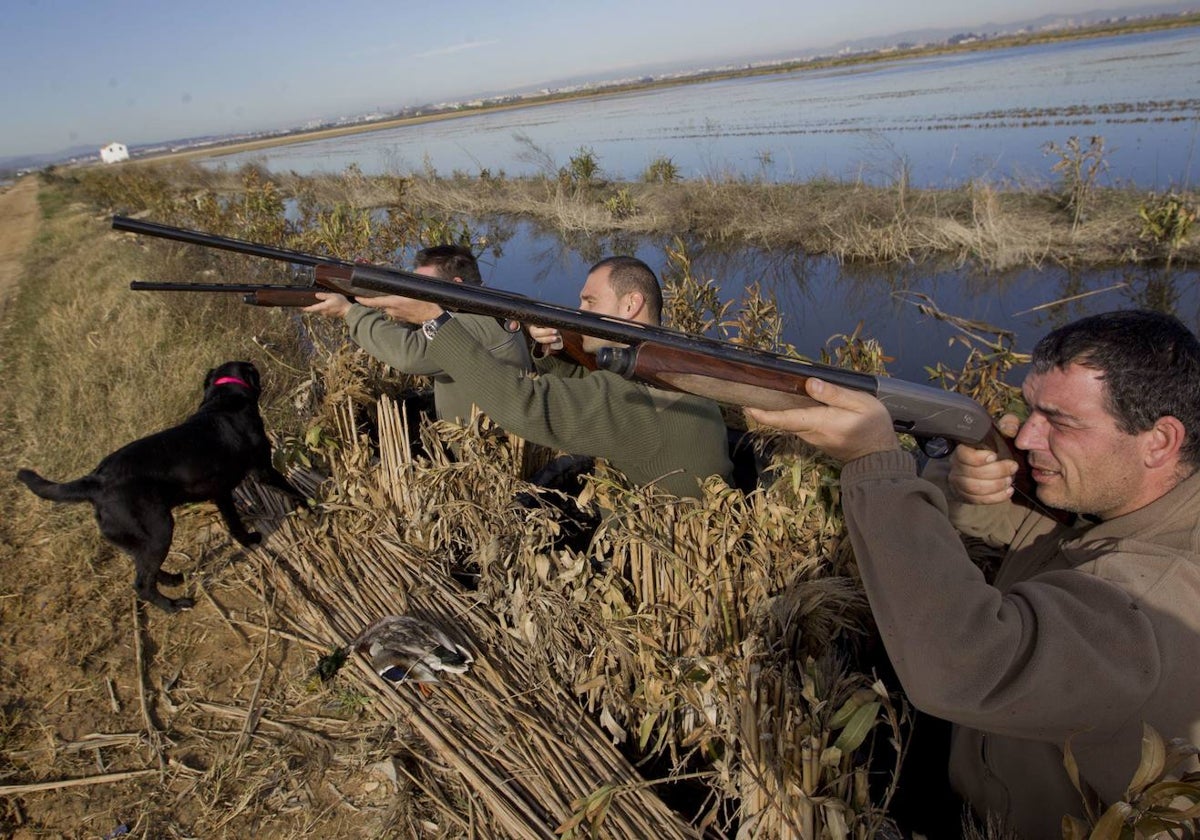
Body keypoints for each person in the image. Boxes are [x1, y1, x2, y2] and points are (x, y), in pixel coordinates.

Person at [745, 309, 1200, 838]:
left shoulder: (1159, 595)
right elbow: (1042, 539)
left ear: (1161, 441)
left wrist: (873, 463)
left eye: (1062, 421)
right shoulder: (1115, 505)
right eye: (1029, 410)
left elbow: (970, 665)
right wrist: (962, 481)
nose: (1027, 436)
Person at [337, 255, 734, 499]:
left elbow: (523, 406)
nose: (578, 311)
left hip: (661, 552)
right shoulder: (670, 364)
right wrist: (557, 350)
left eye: (589, 302)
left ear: (631, 304)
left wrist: (432, 320)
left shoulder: (639, 400)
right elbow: (588, 387)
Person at [304, 244, 531, 425]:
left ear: (456, 285)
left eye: (423, 286)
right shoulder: (487, 308)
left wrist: (348, 311)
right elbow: (425, 322)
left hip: (483, 454)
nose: (416, 294)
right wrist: (379, 286)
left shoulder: (476, 324)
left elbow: (409, 354)